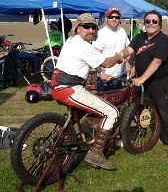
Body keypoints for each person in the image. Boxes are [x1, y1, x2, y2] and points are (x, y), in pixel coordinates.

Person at [50, 13, 125, 171]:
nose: (90, 29)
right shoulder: (83, 46)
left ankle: (55, 138)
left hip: (61, 85)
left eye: (93, 27)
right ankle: (96, 153)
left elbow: (88, 63)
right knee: (111, 112)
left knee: (82, 110)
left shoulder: (73, 41)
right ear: (77, 28)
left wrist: (98, 73)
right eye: (86, 26)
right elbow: (106, 62)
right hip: (69, 88)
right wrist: (120, 56)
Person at [117, 10, 168, 152]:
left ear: (160, 24)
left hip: (158, 81)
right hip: (140, 80)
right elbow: (129, 49)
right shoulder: (139, 37)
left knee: (163, 109)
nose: (151, 24)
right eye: (148, 21)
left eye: (154, 21)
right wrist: (121, 55)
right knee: (136, 109)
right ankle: (130, 136)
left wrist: (142, 78)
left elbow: (157, 62)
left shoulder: (163, 40)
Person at [92, 7, 130, 92]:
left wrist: (132, 66)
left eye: (117, 17)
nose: (114, 19)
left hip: (121, 77)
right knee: (106, 104)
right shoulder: (101, 34)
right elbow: (94, 57)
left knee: (121, 104)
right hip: (106, 78)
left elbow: (128, 50)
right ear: (106, 18)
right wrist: (101, 74)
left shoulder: (122, 31)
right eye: (111, 17)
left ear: (120, 19)